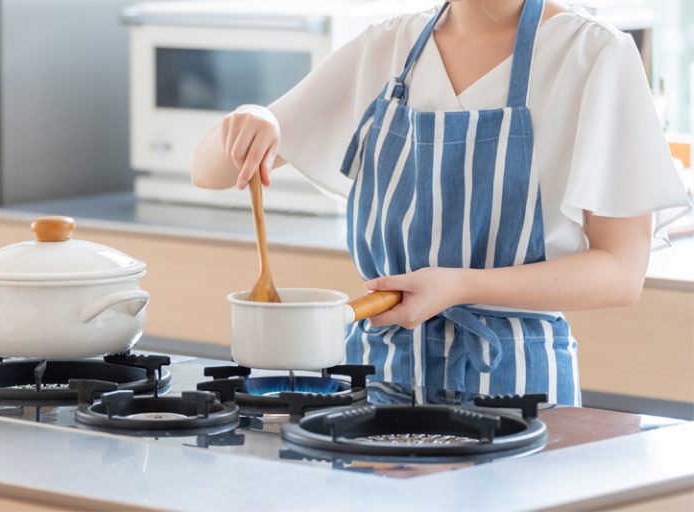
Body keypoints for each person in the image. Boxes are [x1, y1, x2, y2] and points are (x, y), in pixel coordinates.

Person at [192, 0, 691, 405]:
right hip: (378, 384)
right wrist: (255, 118)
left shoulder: (592, 53)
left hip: (516, 388)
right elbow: (209, 170)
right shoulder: (387, 46)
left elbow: (622, 272)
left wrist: (459, 286)